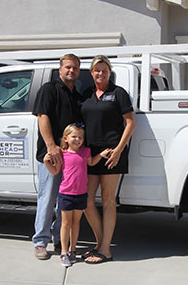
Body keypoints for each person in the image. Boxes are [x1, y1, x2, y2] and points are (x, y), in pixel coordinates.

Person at [81, 55, 136, 264]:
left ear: (109, 72)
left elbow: (130, 124)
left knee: (107, 200)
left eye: (104, 70)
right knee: (86, 201)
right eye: (97, 70)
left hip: (113, 153)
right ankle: (100, 243)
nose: (100, 74)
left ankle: (106, 249)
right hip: (92, 154)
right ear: (91, 72)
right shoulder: (87, 94)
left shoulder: (118, 93)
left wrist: (119, 150)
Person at [32, 54, 83, 260]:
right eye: (68, 67)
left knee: (63, 199)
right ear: (60, 69)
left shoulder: (76, 95)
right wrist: (51, 147)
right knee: (47, 198)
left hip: (71, 159)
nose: (72, 71)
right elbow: (42, 117)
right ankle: (40, 242)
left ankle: (58, 237)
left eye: (75, 68)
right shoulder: (49, 89)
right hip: (51, 155)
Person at [43, 124, 110, 267]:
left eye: (80, 137)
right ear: (66, 138)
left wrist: (101, 155)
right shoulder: (62, 154)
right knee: (66, 224)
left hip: (81, 195)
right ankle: (64, 251)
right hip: (66, 194)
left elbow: (91, 162)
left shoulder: (85, 152)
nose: (77, 140)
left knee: (76, 223)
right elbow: (55, 172)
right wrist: (46, 162)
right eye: (74, 137)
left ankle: (73, 250)